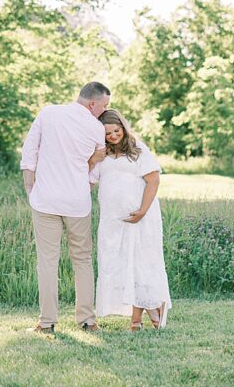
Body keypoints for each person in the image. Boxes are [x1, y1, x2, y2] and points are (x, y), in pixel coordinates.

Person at [20, 81, 110, 335]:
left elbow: (29, 152)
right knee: (82, 259)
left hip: (45, 199)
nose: (104, 111)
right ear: (92, 103)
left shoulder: (48, 113)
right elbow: (97, 166)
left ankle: (47, 322)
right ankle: (87, 320)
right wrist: (86, 185)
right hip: (77, 202)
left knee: (47, 261)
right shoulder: (96, 127)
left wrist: (31, 189)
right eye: (104, 106)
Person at [89, 109, 172, 330]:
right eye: (108, 133)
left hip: (140, 217)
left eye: (117, 131)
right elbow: (90, 179)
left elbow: (153, 180)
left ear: (123, 128)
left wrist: (143, 210)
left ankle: (146, 313)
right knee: (120, 264)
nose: (113, 136)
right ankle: (141, 316)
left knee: (139, 263)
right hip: (113, 220)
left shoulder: (138, 149)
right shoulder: (102, 154)